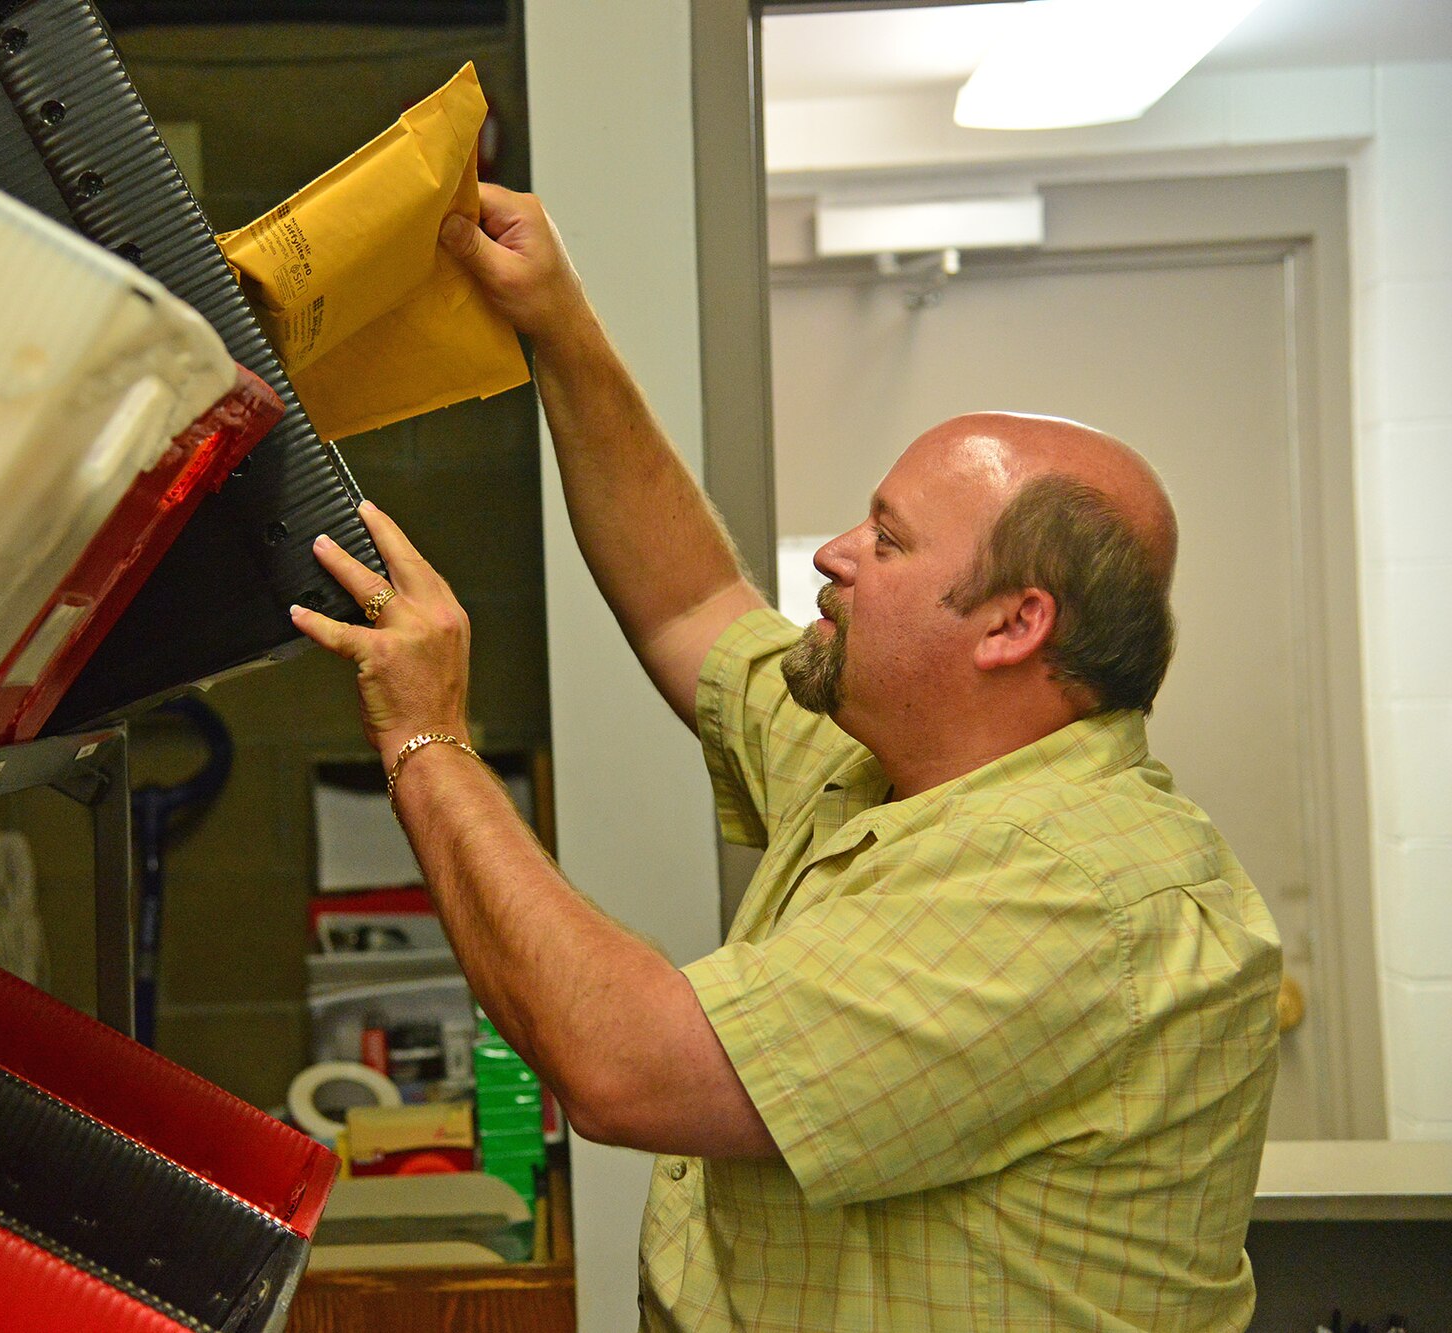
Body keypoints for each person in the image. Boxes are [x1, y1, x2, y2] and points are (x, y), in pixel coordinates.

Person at [287, 184, 1281, 1332]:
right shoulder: (889, 755)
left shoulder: (1073, 893)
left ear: (1014, 625)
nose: (836, 556)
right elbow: (691, 599)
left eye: (887, 540)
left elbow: (618, 1063)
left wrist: (425, 738)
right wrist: (557, 323)